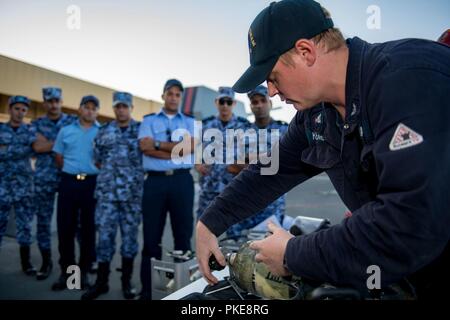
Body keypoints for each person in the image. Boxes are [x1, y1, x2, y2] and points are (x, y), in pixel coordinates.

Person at [196, 0, 450, 299]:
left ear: (305, 52)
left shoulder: (409, 78)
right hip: (405, 272)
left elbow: (410, 225)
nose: (272, 92)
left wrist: (293, 255)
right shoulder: (319, 113)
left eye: (273, 77)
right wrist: (210, 222)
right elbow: (271, 169)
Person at [138, 79, 196, 300]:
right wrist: (176, 151)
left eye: (177, 94)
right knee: (151, 238)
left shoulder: (190, 122)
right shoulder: (149, 120)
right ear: (163, 95)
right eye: (169, 93)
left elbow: (190, 148)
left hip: (181, 182)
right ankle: (148, 291)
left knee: (183, 237)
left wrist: (158, 145)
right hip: (155, 183)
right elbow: (145, 147)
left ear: (180, 97)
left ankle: (182, 291)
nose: (173, 97)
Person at [82, 92, 143, 300]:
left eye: (125, 106)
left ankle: (127, 283)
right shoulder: (104, 130)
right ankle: (101, 283)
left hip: (131, 196)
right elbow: (98, 159)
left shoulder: (141, 131)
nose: (121, 110)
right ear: (114, 108)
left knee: (129, 240)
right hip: (107, 195)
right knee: (105, 239)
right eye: (117, 106)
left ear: (131, 108)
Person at [51, 95, 100, 291]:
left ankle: (85, 272)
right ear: (79, 109)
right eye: (86, 107)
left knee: (88, 230)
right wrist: (73, 171)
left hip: (91, 184)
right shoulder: (66, 131)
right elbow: (58, 157)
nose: (89, 111)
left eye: (93, 108)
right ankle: (68, 274)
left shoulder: (102, 132)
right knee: (66, 229)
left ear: (97, 111)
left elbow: (104, 158)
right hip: (69, 182)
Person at [225, 85, 288, 238]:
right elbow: (232, 166)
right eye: (254, 102)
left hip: (272, 206)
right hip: (243, 202)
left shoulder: (284, 130)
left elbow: (286, 164)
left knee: (270, 255)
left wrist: (248, 158)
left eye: (263, 100)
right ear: (251, 106)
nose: (259, 105)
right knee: (237, 250)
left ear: (270, 103)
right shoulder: (239, 130)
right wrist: (268, 159)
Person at [31, 87, 77, 280]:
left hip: (68, 176)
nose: (54, 104)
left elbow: (75, 144)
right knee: (43, 221)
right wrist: (61, 142)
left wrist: (49, 142)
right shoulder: (36, 123)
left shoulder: (72, 121)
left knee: (74, 222)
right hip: (44, 178)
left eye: (57, 100)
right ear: (44, 103)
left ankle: (79, 264)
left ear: (61, 101)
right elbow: (37, 147)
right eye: (50, 101)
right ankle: (46, 261)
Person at [195, 87, 249, 220]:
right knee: (203, 228)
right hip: (209, 187)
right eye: (222, 101)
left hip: (233, 187)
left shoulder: (244, 126)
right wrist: (197, 164)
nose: (225, 105)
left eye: (229, 102)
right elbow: (197, 149)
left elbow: (250, 154)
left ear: (234, 104)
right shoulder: (205, 125)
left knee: (233, 232)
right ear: (216, 102)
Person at [0, 96, 36, 275]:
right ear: (9, 109)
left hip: (23, 187)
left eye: (23, 110)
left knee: (25, 225)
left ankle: (26, 263)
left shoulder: (30, 131)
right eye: (17, 108)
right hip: (2, 186)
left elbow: (38, 149)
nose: (20, 112)